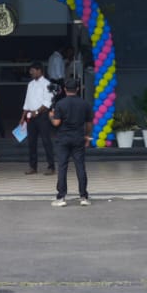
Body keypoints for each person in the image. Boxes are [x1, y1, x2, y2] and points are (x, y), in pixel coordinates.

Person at [49, 76, 92, 207]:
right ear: (78, 89)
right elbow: (89, 123)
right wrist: (87, 136)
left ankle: (61, 197)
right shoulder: (85, 104)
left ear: (64, 89)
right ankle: (83, 196)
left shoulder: (60, 104)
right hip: (78, 138)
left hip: (63, 139)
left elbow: (56, 123)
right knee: (80, 166)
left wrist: (51, 116)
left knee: (62, 167)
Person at [21, 62, 56, 175]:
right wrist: (23, 117)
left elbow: (48, 102)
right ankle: (33, 167)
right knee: (31, 142)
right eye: (30, 71)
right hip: (31, 117)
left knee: (46, 141)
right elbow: (27, 101)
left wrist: (37, 111)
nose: (31, 72)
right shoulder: (30, 84)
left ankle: (51, 167)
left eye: (33, 70)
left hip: (42, 116)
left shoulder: (48, 84)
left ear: (40, 70)